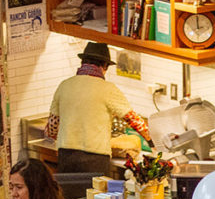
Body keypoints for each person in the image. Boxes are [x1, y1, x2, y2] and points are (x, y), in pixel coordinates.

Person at [45, 42, 152, 173]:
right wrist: (151, 140)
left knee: (69, 192)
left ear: (82, 63)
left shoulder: (64, 85)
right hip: (95, 158)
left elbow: (52, 126)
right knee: (96, 193)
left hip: (66, 155)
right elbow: (133, 119)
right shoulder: (108, 89)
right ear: (104, 66)